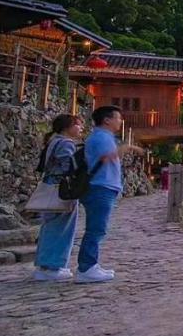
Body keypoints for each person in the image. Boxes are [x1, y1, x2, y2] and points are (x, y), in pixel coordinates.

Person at [76, 105, 144, 283]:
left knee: (97, 228)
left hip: (102, 186)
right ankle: (86, 267)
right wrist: (128, 147)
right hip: (100, 186)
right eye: (118, 118)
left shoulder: (102, 137)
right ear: (107, 120)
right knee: (96, 229)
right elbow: (107, 157)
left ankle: (91, 265)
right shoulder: (101, 137)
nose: (120, 121)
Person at [32, 114, 84, 282]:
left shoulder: (54, 141)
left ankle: (45, 265)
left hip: (50, 185)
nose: (81, 128)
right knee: (61, 227)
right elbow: (67, 166)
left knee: (50, 226)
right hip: (61, 189)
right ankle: (52, 266)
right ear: (68, 127)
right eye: (78, 125)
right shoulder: (65, 144)